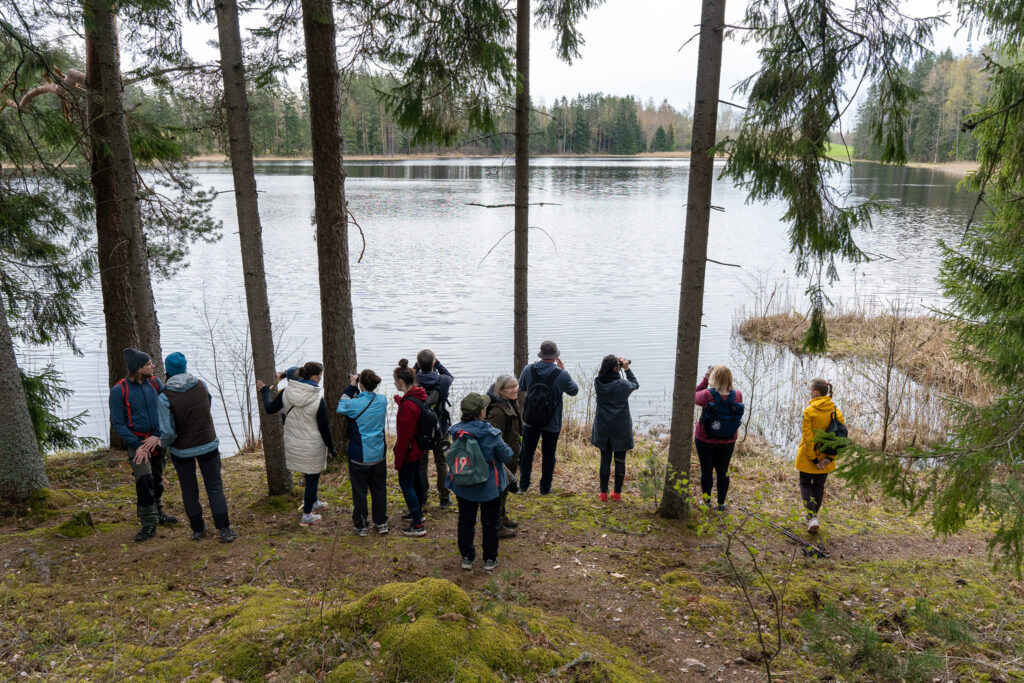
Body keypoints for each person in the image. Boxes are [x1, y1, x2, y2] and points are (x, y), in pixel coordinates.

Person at [157, 352, 237, 543]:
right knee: (215, 486)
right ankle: (224, 530)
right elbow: (206, 407)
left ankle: (198, 529)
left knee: (189, 489)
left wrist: (165, 446)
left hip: (181, 450)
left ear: (168, 370)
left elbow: (167, 432)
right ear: (185, 367)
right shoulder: (201, 385)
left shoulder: (165, 396)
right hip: (208, 443)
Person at [110, 347, 178, 542]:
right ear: (139, 368)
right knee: (144, 479)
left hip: (157, 441)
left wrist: (158, 436)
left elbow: (167, 410)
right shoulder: (119, 390)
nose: (153, 366)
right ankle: (148, 523)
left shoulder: (156, 383)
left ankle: (158, 512)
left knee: (157, 478)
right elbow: (119, 424)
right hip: (137, 444)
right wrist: (137, 445)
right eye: (149, 364)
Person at [256, 361, 336, 527]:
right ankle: (307, 515)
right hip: (313, 445)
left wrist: (265, 392)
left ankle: (313, 503)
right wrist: (332, 448)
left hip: (294, 443)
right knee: (312, 478)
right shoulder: (317, 398)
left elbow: (270, 409)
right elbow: (324, 428)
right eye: (320, 376)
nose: (321, 378)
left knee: (310, 475)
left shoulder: (286, 392)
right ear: (314, 377)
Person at [447, 392, 515, 571]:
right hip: (489, 486)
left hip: (463, 483)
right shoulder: (490, 433)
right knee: (490, 522)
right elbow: (507, 454)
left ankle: (467, 558)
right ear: (481, 412)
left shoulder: (457, 431)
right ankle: (490, 559)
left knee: (466, 521)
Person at [517, 340, 579, 494]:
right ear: (555, 356)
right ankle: (545, 488)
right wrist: (563, 371)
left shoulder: (528, 369)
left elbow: (522, 387)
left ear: (541, 354)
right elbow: (574, 391)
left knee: (526, 453)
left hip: (530, 419)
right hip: (552, 421)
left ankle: (523, 486)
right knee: (549, 455)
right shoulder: (561, 374)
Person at [337, 369, 388, 536]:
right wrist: (360, 388)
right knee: (379, 490)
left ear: (361, 384)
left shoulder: (354, 404)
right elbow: (370, 398)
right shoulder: (382, 400)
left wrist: (351, 386)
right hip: (378, 454)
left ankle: (360, 524)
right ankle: (381, 522)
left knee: (360, 491)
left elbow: (341, 406)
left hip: (359, 456)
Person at [796, 378, 845, 533]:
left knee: (804, 483)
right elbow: (841, 437)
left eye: (811, 391)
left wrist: (814, 458)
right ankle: (813, 518)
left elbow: (808, 438)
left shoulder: (809, 412)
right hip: (827, 457)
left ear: (815, 393)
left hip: (810, 457)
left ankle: (812, 518)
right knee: (818, 486)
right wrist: (829, 458)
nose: (810, 394)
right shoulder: (836, 411)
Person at [694, 365, 744, 511]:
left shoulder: (707, 395)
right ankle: (721, 503)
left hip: (705, 439)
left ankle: (706, 502)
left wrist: (705, 379)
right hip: (728, 440)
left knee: (706, 470)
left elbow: (692, 395)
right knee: (723, 471)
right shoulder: (738, 395)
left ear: (713, 377)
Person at [591, 355, 639, 502]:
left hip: (603, 427)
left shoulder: (598, 382)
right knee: (620, 460)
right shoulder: (622, 385)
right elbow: (634, 384)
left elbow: (604, 375)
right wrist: (627, 368)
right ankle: (617, 493)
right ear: (615, 368)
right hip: (621, 427)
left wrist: (616, 367)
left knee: (605, 460)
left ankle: (603, 494)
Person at [414, 349, 454, 509]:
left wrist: (417, 366)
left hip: (421, 429)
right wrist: (438, 364)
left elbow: (407, 375)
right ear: (433, 363)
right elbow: (450, 375)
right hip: (441, 428)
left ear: (418, 364)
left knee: (422, 464)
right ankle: (444, 498)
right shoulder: (443, 380)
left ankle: (423, 497)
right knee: (442, 463)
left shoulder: (413, 380)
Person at [393, 359, 428, 537]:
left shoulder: (408, 405)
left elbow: (405, 436)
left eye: (394, 381)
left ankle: (417, 524)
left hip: (409, 451)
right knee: (416, 481)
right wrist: (400, 400)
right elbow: (412, 409)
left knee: (406, 485)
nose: (394, 384)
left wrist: (398, 461)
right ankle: (419, 512)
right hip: (419, 448)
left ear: (400, 381)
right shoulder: (418, 395)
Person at [486, 374, 522, 536]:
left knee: (505, 489)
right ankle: (497, 525)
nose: (516, 390)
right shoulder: (497, 411)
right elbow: (494, 438)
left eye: (516, 386)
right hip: (502, 458)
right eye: (511, 387)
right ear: (500, 391)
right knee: (498, 491)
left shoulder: (511, 404)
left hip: (511, 455)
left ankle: (502, 516)